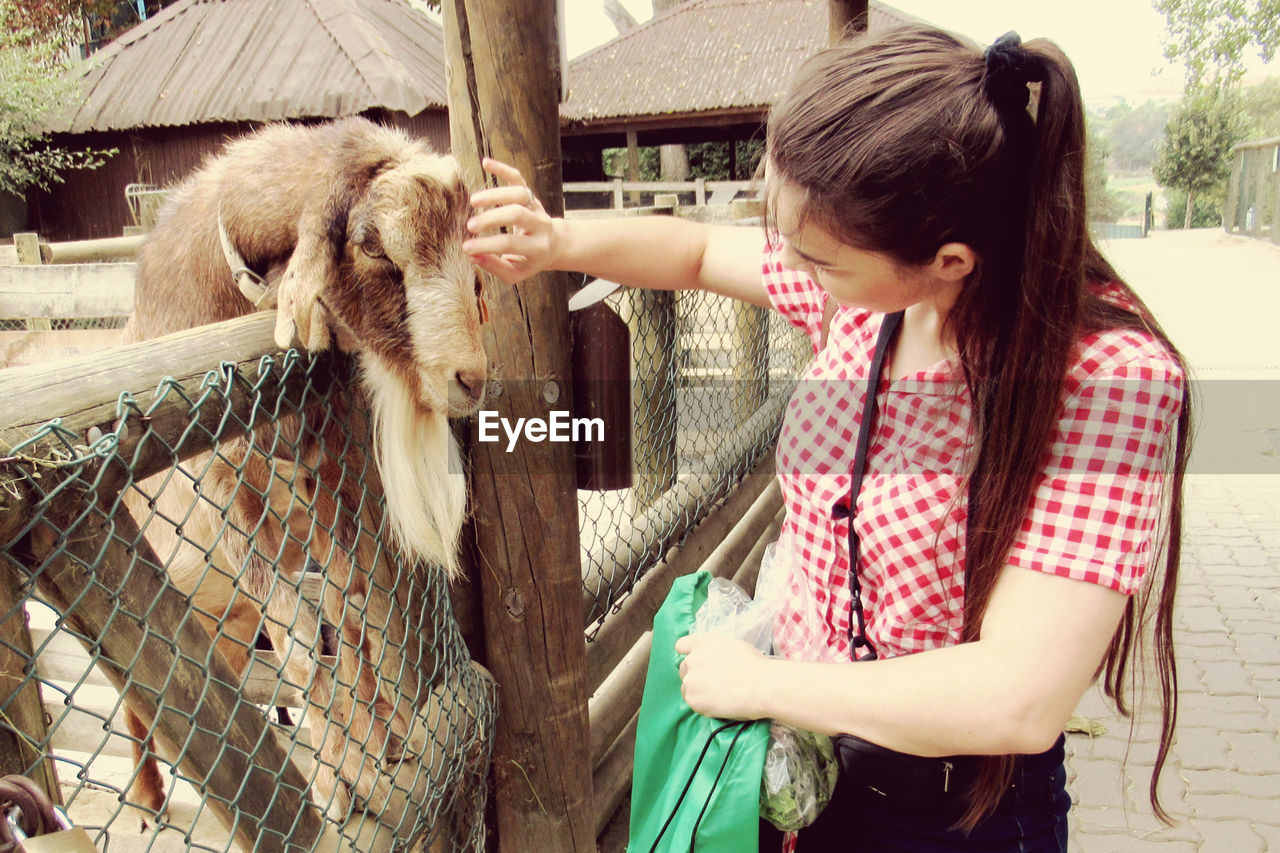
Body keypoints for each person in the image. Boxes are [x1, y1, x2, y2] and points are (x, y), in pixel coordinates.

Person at [462, 25, 1190, 852]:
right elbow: (699, 251)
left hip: (946, 813)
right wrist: (558, 241)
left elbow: (1017, 697)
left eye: (819, 260)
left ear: (951, 259)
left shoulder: (1103, 375)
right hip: (796, 772)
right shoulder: (867, 295)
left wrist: (768, 682)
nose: (791, 271)